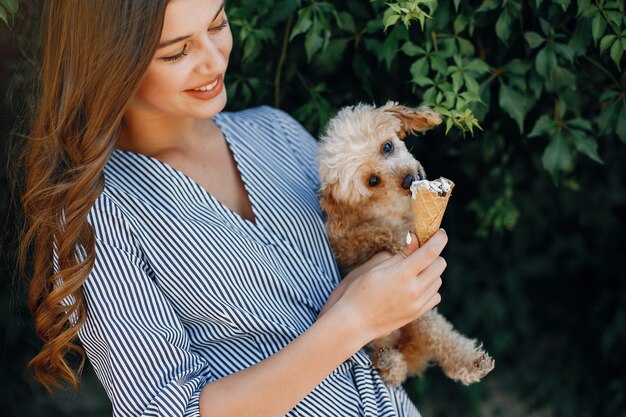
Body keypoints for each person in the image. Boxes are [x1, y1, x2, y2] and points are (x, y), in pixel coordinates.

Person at [18, 0, 447, 416]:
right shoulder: (98, 216)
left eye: (218, 24)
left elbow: (353, 264)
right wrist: (351, 322)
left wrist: (390, 281)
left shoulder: (276, 132)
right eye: (177, 51)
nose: (213, 61)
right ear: (110, 62)